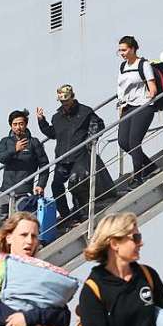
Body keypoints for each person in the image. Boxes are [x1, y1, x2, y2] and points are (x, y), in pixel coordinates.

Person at [36, 84, 111, 225]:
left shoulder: (85, 111)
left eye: (67, 100)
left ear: (72, 97)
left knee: (75, 183)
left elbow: (98, 124)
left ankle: (81, 212)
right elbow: (53, 133)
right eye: (62, 101)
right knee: (56, 186)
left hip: (80, 156)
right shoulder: (57, 117)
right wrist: (42, 121)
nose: (65, 104)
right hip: (63, 158)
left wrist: (90, 141)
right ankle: (66, 216)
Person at [0, 110, 49, 229]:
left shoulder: (34, 143)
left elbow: (44, 164)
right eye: (15, 124)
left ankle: (16, 240)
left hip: (24, 190)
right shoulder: (5, 141)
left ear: (25, 124)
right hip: (6, 189)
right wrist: (15, 149)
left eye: (21, 124)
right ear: (11, 125)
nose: (18, 127)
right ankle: (5, 238)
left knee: (18, 219)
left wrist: (41, 184)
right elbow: (0, 157)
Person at [115, 37, 158, 186]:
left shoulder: (143, 65)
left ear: (133, 49)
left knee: (134, 142)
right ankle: (149, 166)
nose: (122, 53)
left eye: (124, 50)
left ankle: (138, 177)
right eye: (120, 50)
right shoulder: (123, 66)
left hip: (143, 107)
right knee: (123, 142)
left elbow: (152, 87)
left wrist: (150, 95)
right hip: (127, 107)